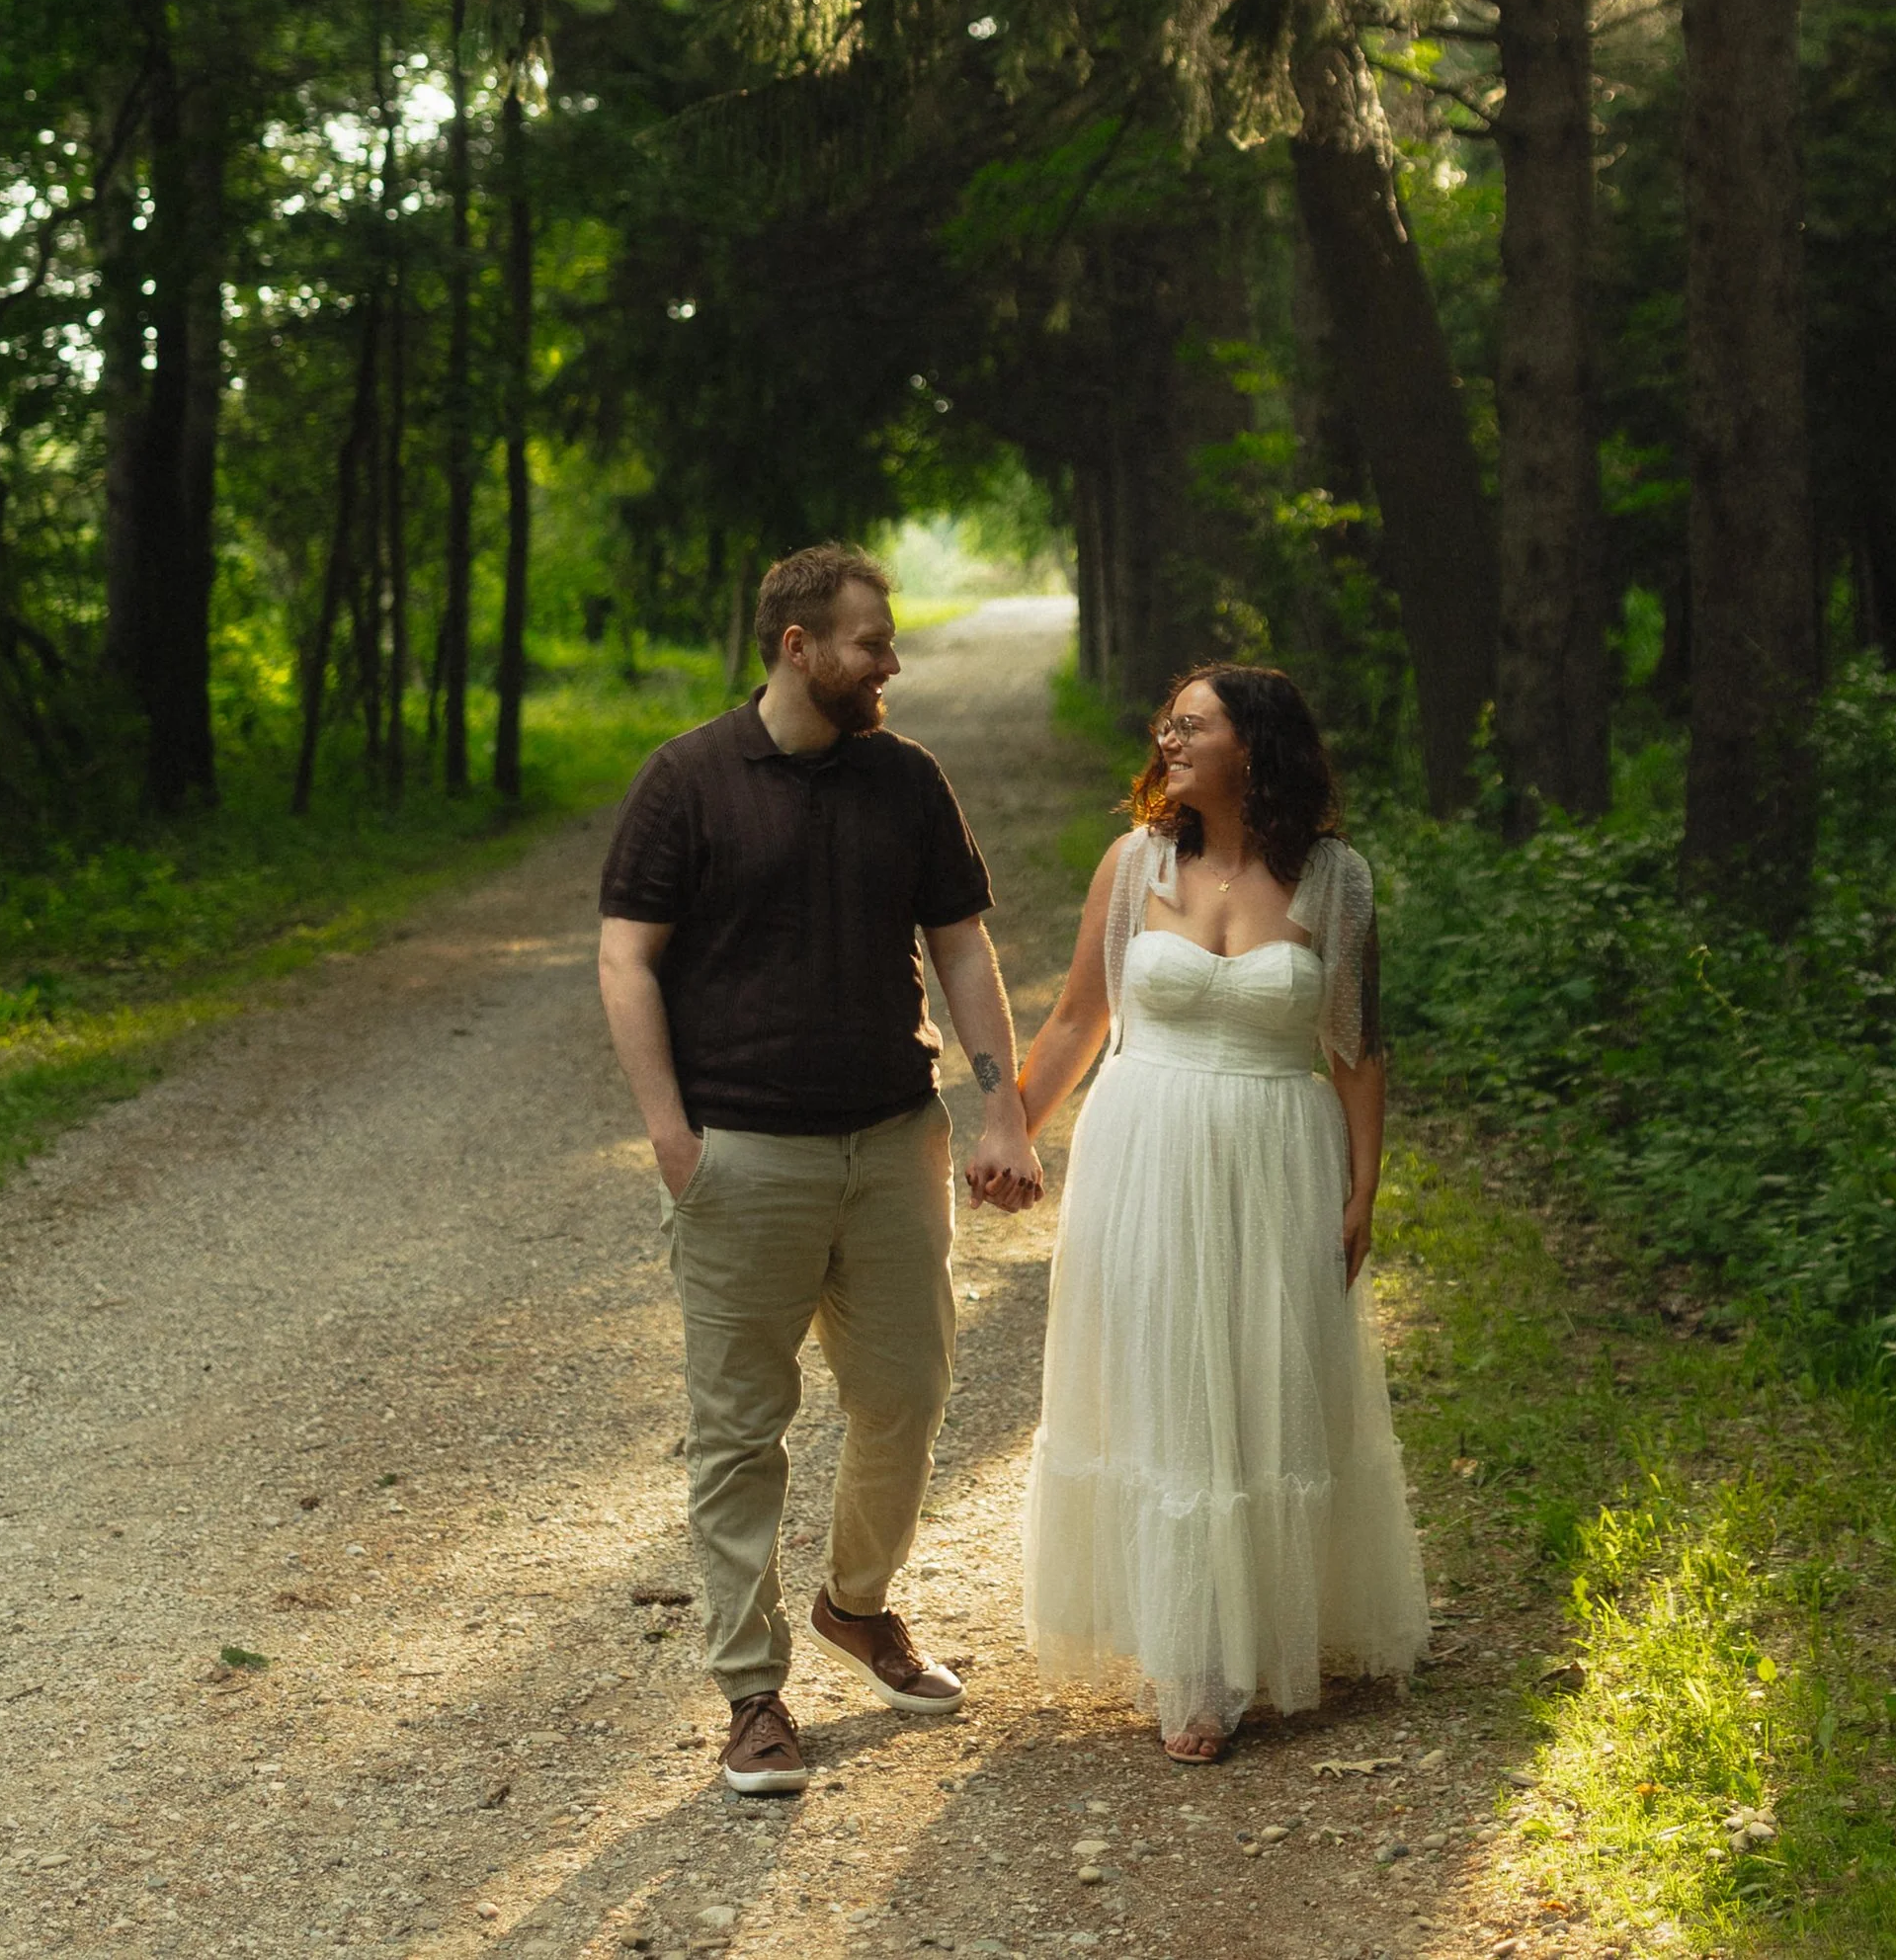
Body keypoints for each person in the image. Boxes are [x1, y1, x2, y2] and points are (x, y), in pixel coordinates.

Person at [597, 543, 1043, 1798]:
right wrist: (674, 1140)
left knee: (905, 1393)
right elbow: (627, 960)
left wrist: (999, 1111)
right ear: (799, 646)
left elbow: (960, 950)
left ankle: (858, 1606)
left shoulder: (907, 780)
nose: (889, 660)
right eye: (869, 641)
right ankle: (751, 1690)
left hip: (893, 1141)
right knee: (740, 1430)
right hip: (741, 1156)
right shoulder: (684, 781)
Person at [1005, 660, 1430, 1759]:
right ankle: (1195, 1666)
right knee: (1164, 1380)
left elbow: (1357, 1045)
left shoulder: (1336, 881)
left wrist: (1364, 1183)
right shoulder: (1132, 861)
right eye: (1169, 722)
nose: (1169, 736)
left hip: (1280, 1148)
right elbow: (1073, 1021)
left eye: (1193, 723)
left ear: (1257, 746)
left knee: (1263, 1379)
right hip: (1144, 1148)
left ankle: (1264, 1624)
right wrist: (1008, 1129)